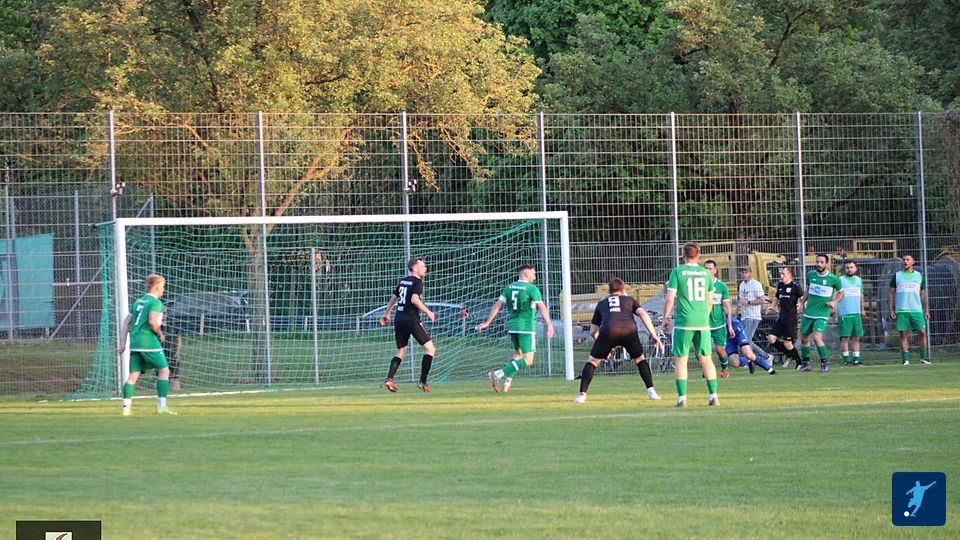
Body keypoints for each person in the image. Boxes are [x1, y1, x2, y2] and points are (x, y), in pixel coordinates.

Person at [573, 278, 664, 403]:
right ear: (622, 290)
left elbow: (593, 331)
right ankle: (651, 392)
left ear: (609, 291)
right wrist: (654, 334)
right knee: (640, 359)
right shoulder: (629, 300)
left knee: (593, 362)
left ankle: (582, 395)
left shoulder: (602, 303)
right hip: (629, 330)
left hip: (609, 331)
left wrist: (602, 346)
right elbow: (643, 314)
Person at [477, 264, 555, 393]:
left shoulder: (509, 287)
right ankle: (498, 374)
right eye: (533, 274)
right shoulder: (532, 289)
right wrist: (549, 325)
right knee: (528, 360)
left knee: (518, 354)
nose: (535, 277)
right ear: (526, 273)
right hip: (526, 328)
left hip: (512, 327)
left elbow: (498, 305)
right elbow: (541, 307)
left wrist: (487, 322)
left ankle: (507, 382)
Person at [662, 243, 719, 407]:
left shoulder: (677, 272)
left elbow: (670, 298)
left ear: (683, 255)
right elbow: (710, 301)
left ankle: (682, 399)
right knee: (706, 359)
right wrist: (703, 316)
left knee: (681, 359)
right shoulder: (706, 273)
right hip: (702, 322)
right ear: (699, 255)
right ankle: (714, 396)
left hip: (684, 322)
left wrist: (665, 318)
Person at [118, 274, 176, 415]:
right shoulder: (155, 302)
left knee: (133, 375)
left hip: (135, 342)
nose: (163, 290)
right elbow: (152, 321)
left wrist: (123, 343)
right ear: (156, 287)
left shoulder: (138, 301)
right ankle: (162, 406)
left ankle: (126, 408)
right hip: (148, 341)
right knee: (164, 370)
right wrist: (160, 334)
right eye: (162, 286)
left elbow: (126, 322)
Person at [379, 257, 437, 392]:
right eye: (422, 266)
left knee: (401, 351)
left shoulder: (403, 281)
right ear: (414, 268)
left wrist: (387, 313)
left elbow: (394, 297)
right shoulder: (418, 282)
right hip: (412, 319)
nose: (425, 268)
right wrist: (429, 312)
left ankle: (389, 379)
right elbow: (414, 300)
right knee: (430, 349)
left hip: (399, 319)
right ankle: (422, 381)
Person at [799, 254, 844, 372]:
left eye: (822, 262)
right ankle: (806, 363)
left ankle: (824, 363)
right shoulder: (811, 275)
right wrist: (802, 302)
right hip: (809, 312)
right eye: (817, 262)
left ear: (826, 264)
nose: (819, 264)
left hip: (822, 313)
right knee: (804, 338)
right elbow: (808, 289)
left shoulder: (833, 279)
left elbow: (841, 292)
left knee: (816, 337)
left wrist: (834, 302)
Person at [887, 254, 931, 365]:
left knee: (922, 332)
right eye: (904, 260)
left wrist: (926, 309)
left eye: (907, 260)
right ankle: (905, 360)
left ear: (913, 262)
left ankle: (923, 358)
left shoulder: (919, 276)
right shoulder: (897, 276)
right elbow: (891, 293)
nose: (905, 261)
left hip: (916, 310)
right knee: (903, 334)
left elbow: (923, 294)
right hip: (902, 310)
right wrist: (891, 310)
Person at [765, 267, 803, 369]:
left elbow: (803, 298)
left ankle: (799, 362)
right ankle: (789, 354)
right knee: (771, 338)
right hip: (781, 317)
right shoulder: (780, 285)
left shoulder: (795, 286)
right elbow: (777, 297)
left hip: (791, 319)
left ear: (790, 275)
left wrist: (800, 305)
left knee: (787, 343)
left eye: (783, 274)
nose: (781, 276)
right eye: (781, 274)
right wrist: (771, 306)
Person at [703, 260, 735, 378]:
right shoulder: (700, 286)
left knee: (720, 350)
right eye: (705, 268)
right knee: (701, 351)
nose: (707, 271)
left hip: (718, 324)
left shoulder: (721, 286)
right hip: (703, 324)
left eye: (710, 268)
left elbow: (727, 307)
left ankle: (724, 369)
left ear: (715, 270)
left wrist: (730, 325)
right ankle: (707, 369)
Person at [737, 266, 774, 366]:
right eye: (742, 272)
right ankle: (762, 357)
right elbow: (741, 300)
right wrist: (738, 310)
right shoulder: (741, 285)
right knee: (746, 340)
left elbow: (762, 300)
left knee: (746, 340)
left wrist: (748, 302)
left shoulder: (756, 284)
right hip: (744, 315)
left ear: (750, 273)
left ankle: (761, 357)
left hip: (753, 316)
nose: (744, 274)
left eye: (746, 272)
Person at [837, 261, 867, 367]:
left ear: (855, 268)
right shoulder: (840, 280)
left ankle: (856, 359)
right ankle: (846, 360)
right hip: (845, 313)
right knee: (845, 337)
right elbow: (836, 294)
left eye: (851, 267)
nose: (849, 269)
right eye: (847, 267)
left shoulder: (859, 280)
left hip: (856, 313)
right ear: (844, 269)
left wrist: (862, 309)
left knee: (856, 337)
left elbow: (861, 295)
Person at [162, 314, 183, 390]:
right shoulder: (156, 326)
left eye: (165, 313)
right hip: (161, 354)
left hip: (172, 354)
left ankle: (176, 390)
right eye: (162, 313)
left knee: (175, 376)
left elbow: (179, 340)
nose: (163, 315)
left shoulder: (172, 326)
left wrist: (177, 352)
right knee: (161, 374)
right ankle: (161, 390)